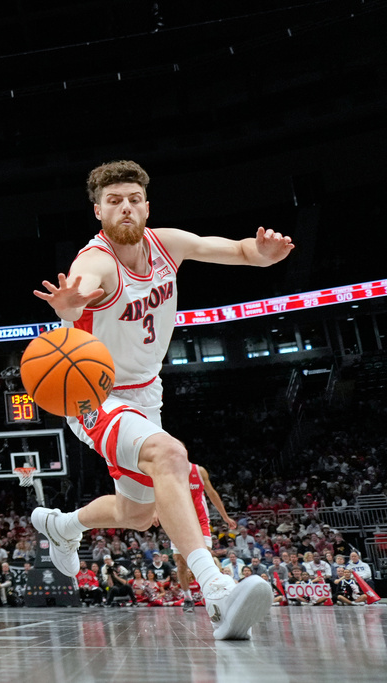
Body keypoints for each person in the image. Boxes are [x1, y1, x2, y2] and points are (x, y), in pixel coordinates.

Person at [30, 160, 292, 639]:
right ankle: (217, 592)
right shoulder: (97, 261)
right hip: (94, 395)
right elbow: (83, 284)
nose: (125, 208)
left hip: (146, 392)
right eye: (114, 201)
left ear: (146, 206)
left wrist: (262, 253)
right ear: (98, 211)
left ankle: (64, 526)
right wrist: (72, 305)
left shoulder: (167, 243)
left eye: (133, 199)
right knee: (169, 454)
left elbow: (236, 249)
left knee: (142, 512)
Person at [165, 462, 235, 613]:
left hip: (200, 521)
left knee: (206, 558)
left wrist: (226, 517)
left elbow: (212, 493)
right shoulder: (167, 473)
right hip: (178, 522)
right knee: (180, 563)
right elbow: (158, 494)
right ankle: (188, 598)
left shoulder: (199, 471)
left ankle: (214, 595)